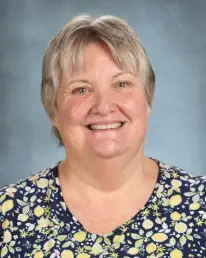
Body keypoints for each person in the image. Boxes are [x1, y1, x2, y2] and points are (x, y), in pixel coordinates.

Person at [0, 14, 205, 258]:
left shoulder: (200, 205)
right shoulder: (7, 214)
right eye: (81, 89)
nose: (103, 106)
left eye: (121, 84)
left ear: (147, 99)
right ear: (53, 109)